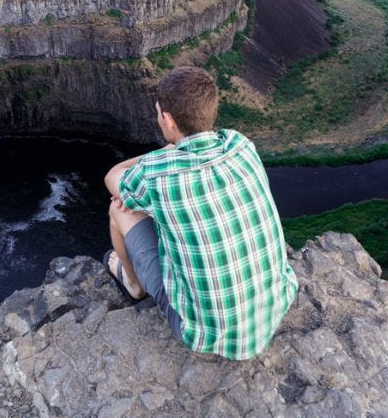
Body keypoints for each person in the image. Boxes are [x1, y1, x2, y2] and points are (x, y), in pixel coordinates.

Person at [103, 66, 298, 360]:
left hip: (206, 333)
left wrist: (165, 153)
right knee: (169, 209)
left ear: (168, 120)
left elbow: (113, 176)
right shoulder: (240, 145)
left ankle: (134, 284)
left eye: (158, 112)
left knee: (118, 207)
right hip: (273, 309)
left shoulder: (159, 176)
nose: (157, 117)